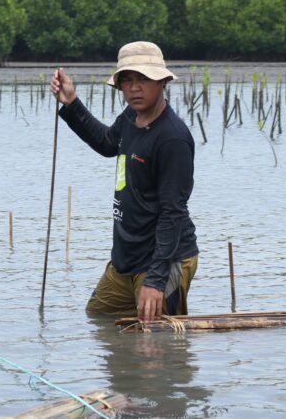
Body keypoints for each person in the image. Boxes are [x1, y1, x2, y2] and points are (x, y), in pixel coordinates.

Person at [49, 41, 199, 322]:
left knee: (158, 347)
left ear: (162, 81)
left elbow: (173, 213)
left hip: (163, 259)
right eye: (127, 80)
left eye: (143, 79)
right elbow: (108, 143)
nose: (134, 88)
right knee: (99, 318)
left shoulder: (172, 139)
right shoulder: (132, 116)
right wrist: (71, 104)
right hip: (127, 258)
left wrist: (155, 281)